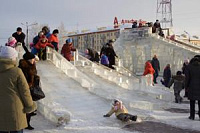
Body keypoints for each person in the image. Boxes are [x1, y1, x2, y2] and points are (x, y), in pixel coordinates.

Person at [0, 46, 36, 133]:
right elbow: (25, 91)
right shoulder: (17, 71)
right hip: (16, 110)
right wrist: (30, 106)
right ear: (13, 58)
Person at [18, 52, 38, 130]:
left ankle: (27, 123)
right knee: (26, 107)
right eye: (32, 59)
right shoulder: (23, 68)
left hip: (30, 89)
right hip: (25, 90)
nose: (34, 60)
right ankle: (25, 123)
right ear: (28, 60)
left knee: (29, 107)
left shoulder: (31, 66)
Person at [185, 56, 200, 120]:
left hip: (191, 86)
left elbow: (187, 78)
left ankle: (192, 116)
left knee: (192, 103)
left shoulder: (189, 67)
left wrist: (186, 87)